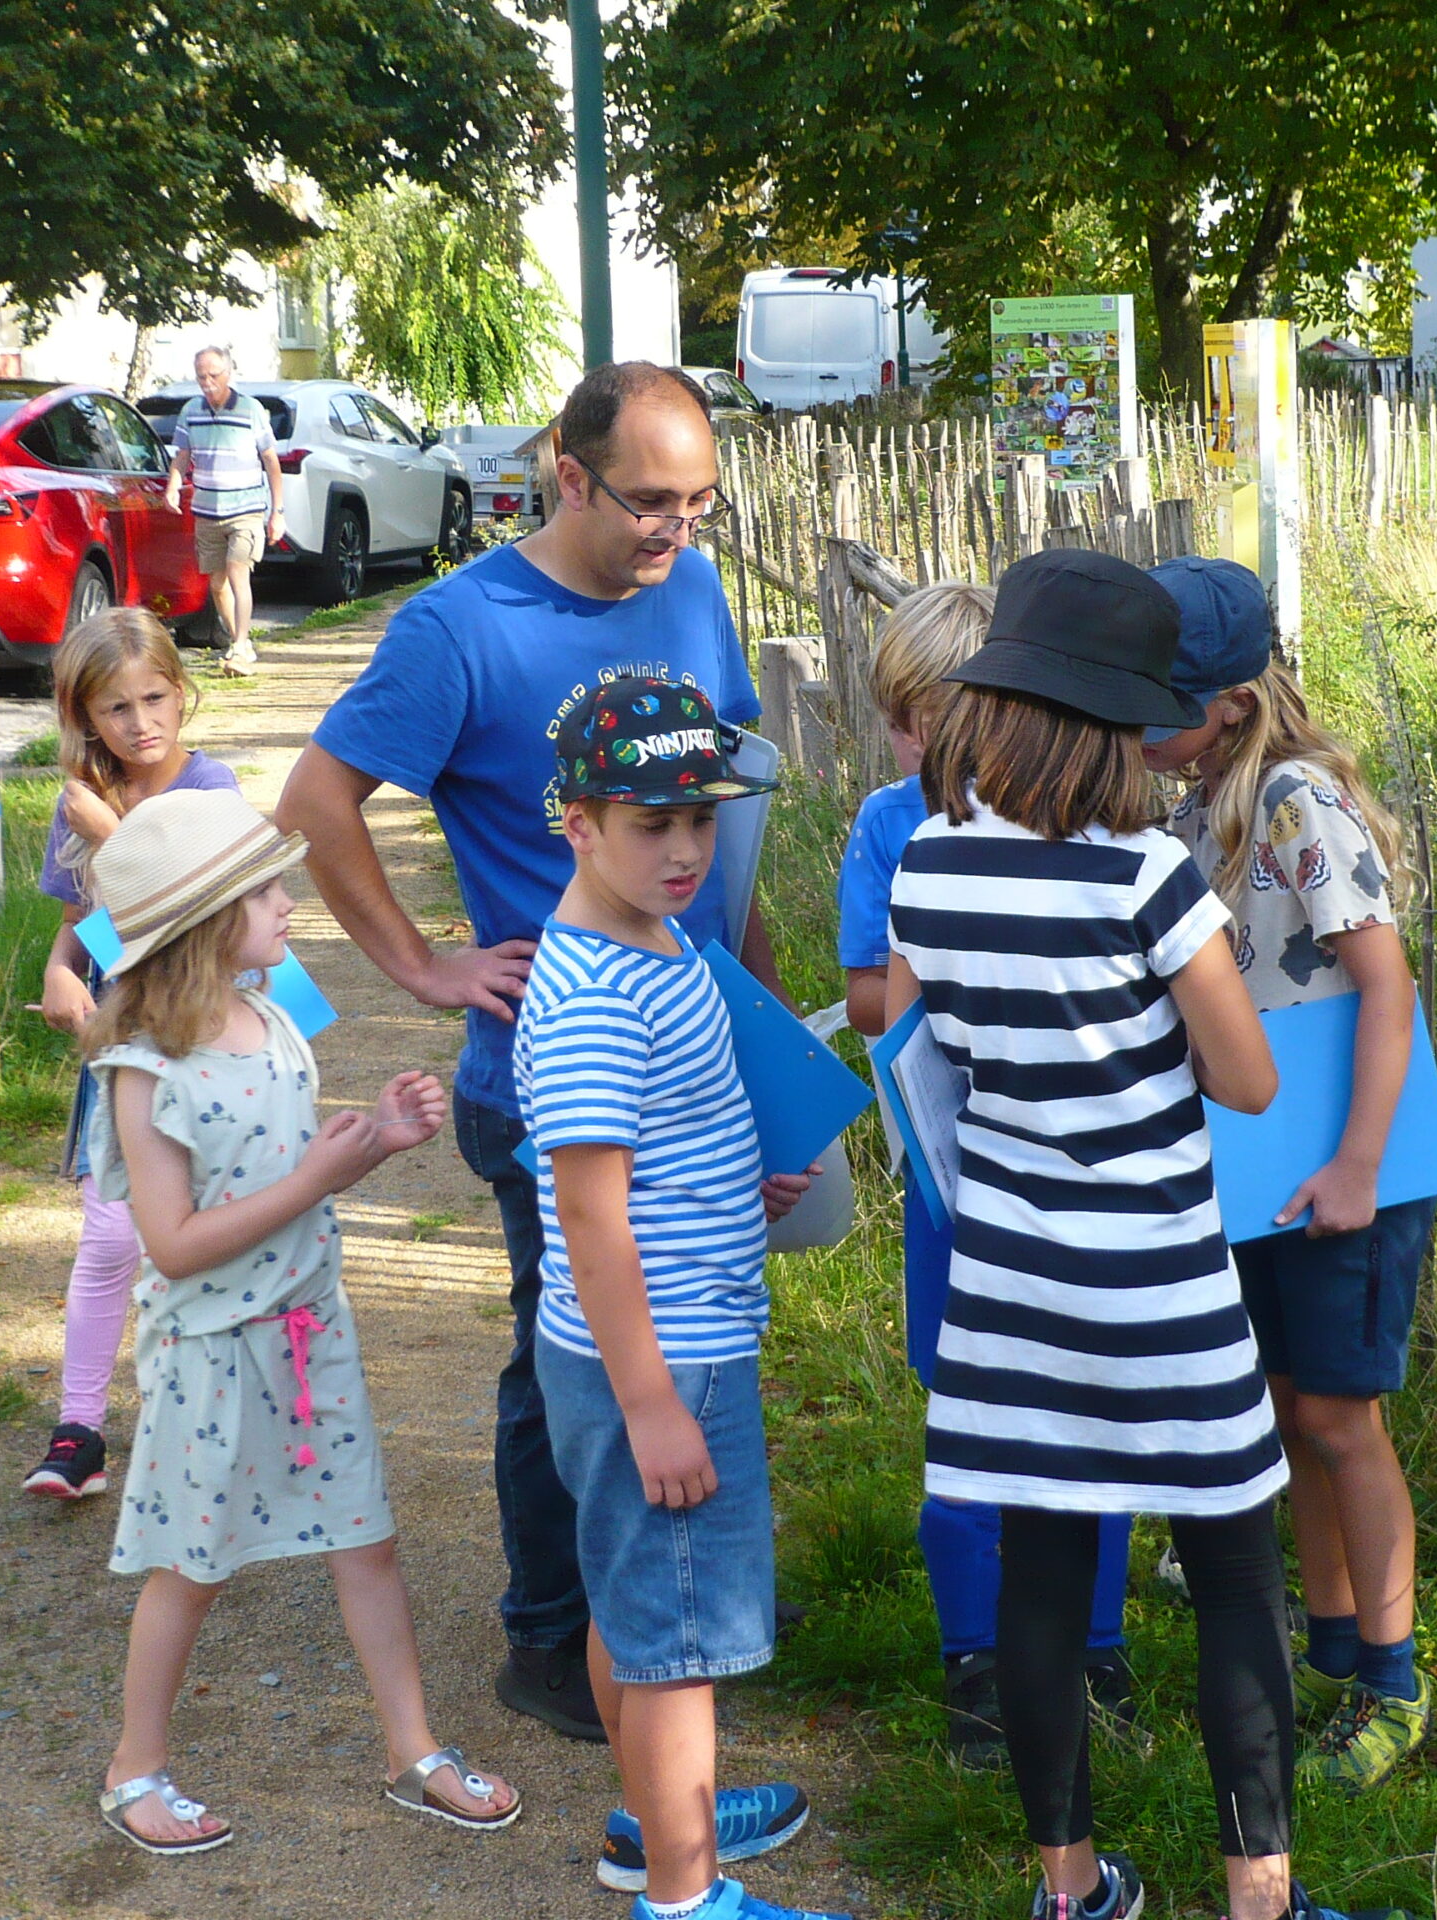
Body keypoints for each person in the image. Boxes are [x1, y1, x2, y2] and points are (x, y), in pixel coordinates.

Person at [275, 362, 791, 1745]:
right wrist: (423, 967)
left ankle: (656, 1612)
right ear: (567, 472)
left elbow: (722, 800)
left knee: (681, 1321)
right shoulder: (460, 628)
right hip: (550, 1070)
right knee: (558, 1354)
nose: (674, 530)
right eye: (646, 501)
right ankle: (552, 1636)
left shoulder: (686, 586)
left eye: (697, 502)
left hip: (694, 1036)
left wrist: (760, 996)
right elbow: (314, 797)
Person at [883, 549, 1358, 1920]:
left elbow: (936, 1034)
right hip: (1159, 1280)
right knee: (1231, 1580)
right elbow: (1248, 1078)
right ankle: (1259, 1892)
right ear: (1119, 724)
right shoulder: (1150, 879)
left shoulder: (929, 865)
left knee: (1040, 1575)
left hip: (1013, 1282)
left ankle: (1068, 1883)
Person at [81, 786, 518, 1855]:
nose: (290, 905)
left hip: (308, 1334)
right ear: (200, 924)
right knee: (191, 1565)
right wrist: (322, 1175)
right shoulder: (143, 1072)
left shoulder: (275, 1011)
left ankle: (410, 1750)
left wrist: (373, 1136)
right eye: (268, 890)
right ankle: (132, 1767)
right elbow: (176, 1241)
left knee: (366, 1541)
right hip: (211, 1356)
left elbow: (289, 1153)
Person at [515, 678, 831, 1920]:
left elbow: (642, 1165)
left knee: (636, 1609)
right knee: (681, 1645)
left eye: (701, 817)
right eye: (651, 824)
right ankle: (688, 1897)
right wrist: (652, 1404)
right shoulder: (598, 989)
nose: (688, 847)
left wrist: (730, 1181)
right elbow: (589, 1217)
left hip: (650, 1338)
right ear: (577, 824)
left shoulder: (655, 939)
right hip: (660, 1357)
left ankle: (653, 1817)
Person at [1141, 559, 1435, 1792]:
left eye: (1145, 694)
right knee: (1279, 1405)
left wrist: (1359, 1163)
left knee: (1338, 1419)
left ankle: (1393, 1678)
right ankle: (1326, 1644)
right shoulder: (1189, 808)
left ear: (1220, 706)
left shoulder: (1296, 803)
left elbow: (1385, 983)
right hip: (1256, 1164)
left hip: (1345, 1170)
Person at [835, 580, 1135, 1767]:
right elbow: (867, 989)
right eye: (904, 724)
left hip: (1076, 1172)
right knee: (964, 1409)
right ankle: (976, 1659)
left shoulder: (1079, 822)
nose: (919, 749)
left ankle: (1094, 1646)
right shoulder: (883, 823)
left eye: (939, 720)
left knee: (1091, 1405)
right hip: (953, 1169)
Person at [23, 610, 241, 1501]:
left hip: (204, 1044)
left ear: (181, 694)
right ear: (83, 717)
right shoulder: (81, 800)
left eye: (154, 698)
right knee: (111, 1236)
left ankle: (205, 1420)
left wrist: (118, 836)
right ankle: (79, 1429)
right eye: (116, 708)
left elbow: (212, 919)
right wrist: (61, 973)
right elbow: (81, 927)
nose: (140, 723)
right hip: (121, 1050)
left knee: (198, 1239)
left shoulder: (211, 788)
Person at [164, 346, 284, 678]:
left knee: (236, 571)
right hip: (207, 510)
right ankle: (240, 643)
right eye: (201, 376)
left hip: (245, 509)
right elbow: (182, 455)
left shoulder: (250, 410)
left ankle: (240, 644)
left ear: (228, 373)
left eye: (213, 375)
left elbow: (271, 462)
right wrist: (173, 485)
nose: (207, 382)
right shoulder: (191, 411)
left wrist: (278, 511)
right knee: (217, 584)